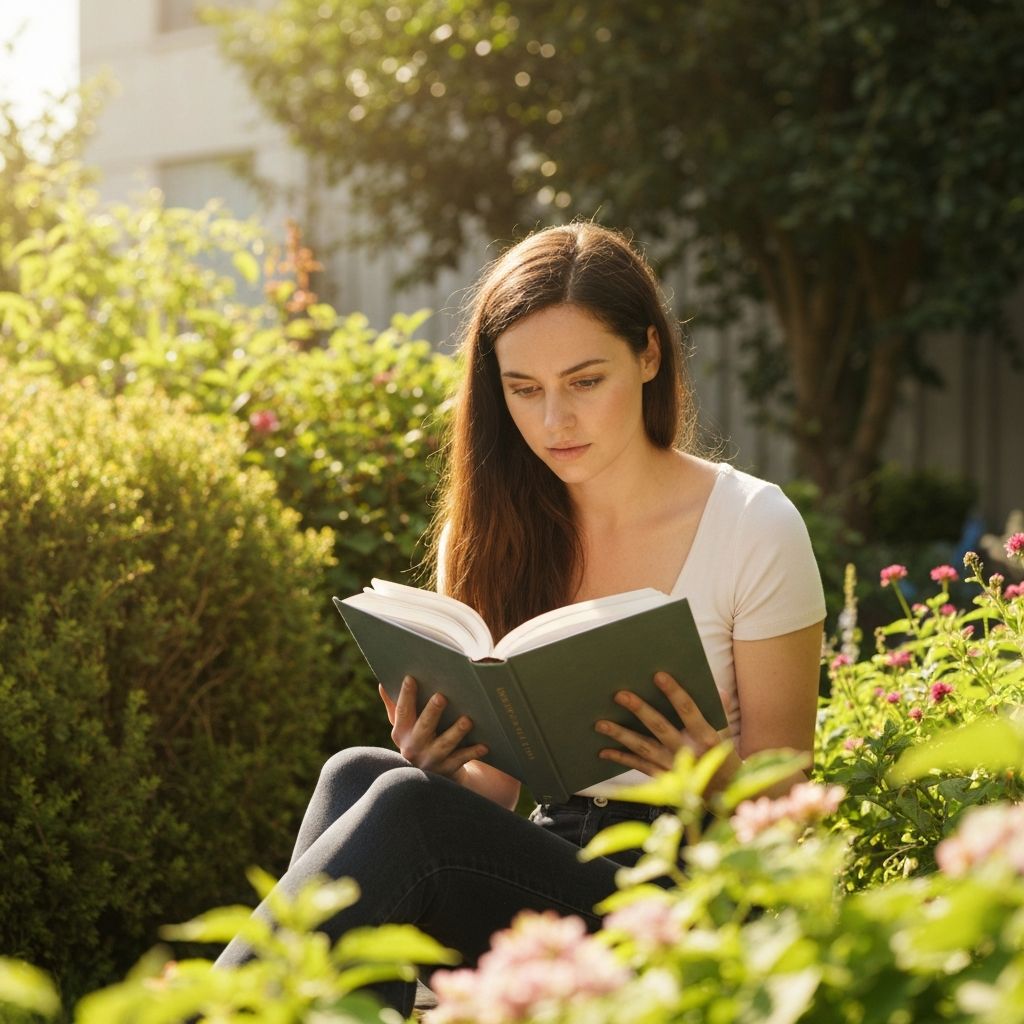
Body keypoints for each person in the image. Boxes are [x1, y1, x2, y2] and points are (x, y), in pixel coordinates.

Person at [215, 222, 826, 1013]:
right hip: (544, 858)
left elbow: (789, 815)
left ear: (648, 355)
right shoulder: (494, 531)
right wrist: (440, 760)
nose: (554, 423)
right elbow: (491, 798)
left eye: (584, 381)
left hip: (680, 889)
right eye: (524, 390)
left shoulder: (752, 524)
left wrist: (708, 774)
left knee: (403, 807)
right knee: (365, 772)